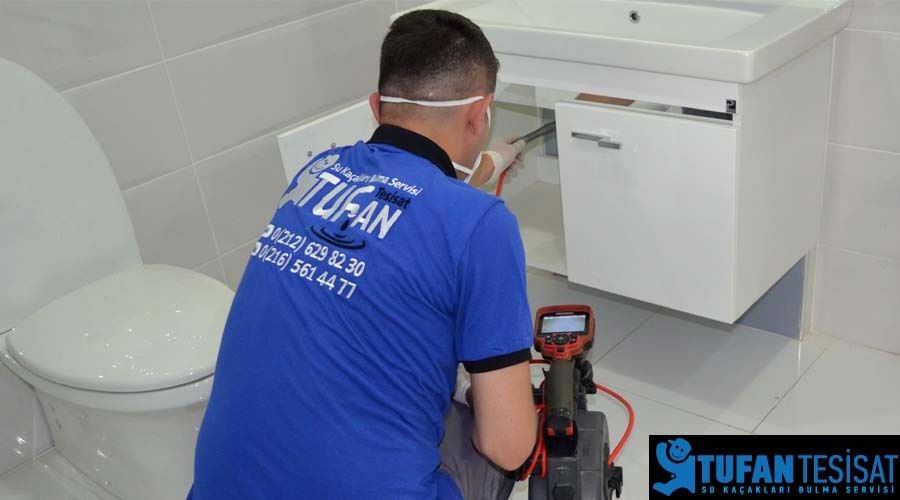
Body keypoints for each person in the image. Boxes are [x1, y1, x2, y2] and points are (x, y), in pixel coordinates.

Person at [188, 9, 537, 500]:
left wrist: (491, 161)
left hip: (222, 489)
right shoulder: (484, 225)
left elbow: (405, 198)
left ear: (376, 107)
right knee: (491, 427)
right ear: (480, 114)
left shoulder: (316, 174)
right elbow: (509, 447)